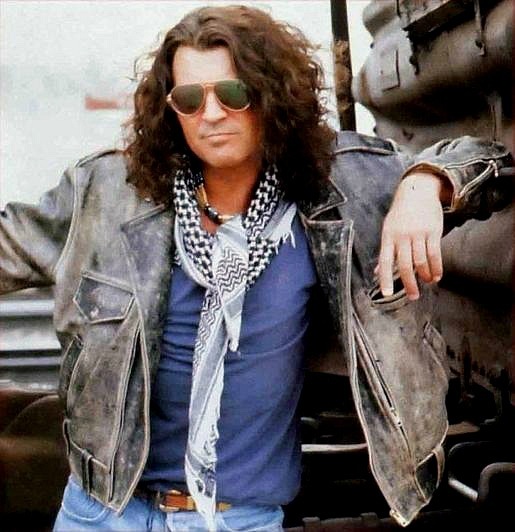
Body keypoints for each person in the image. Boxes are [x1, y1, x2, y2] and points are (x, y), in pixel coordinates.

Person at [0, 5, 512, 532]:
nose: (211, 114)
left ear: (272, 93)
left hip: (239, 519)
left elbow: (490, 159)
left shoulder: (347, 187)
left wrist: (426, 183)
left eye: (233, 93)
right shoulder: (107, 192)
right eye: (190, 99)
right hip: (102, 511)